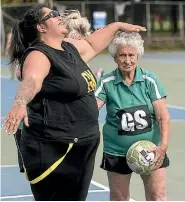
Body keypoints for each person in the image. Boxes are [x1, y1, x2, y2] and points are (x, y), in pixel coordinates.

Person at [3, 4, 146, 201]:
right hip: (55, 146)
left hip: (83, 143)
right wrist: (20, 102)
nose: (59, 16)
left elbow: (93, 44)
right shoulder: (39, 54)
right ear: (41, 28)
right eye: (52, 15)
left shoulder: (69, 47)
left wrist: (116, 26)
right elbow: (32, 80)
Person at [95, 31, 170, 201]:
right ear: (115, 57)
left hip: (151, 150)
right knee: (119, 198)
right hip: (116, 151)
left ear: (138, 56)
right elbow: (91, 109)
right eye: (122, 55)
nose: (127, 60)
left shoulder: (150, 80)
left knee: (158, 196)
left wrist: (162, 147)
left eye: (131, 55)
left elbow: (162, 117)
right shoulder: (106, 82)